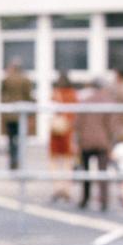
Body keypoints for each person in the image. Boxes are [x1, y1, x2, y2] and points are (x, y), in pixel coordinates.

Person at [76, 77, 115, 211]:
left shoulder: (85, 101)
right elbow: (111, 125)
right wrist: (111, 142)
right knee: (103, 171)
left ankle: (85, 198)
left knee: (86, 171)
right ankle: (103, 200)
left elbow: (78, 123)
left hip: (86, 140)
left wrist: (79, 138)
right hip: (102, 141)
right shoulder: (108, 103)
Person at [48, 73, 78, 203]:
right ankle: (67, 188)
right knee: (68, 162)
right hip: (69, 130)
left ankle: (57, 187)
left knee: (54, 161)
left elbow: (50, 112)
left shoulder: (55, 94)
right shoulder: (73, 95)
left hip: (56, 131)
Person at [0, 58, 33, 170]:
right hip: (20, 115)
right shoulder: (25, 80)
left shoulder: (7, 79)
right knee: (21, 139)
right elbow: (28, 96)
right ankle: (19, 161)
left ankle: (12, 161)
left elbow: (2, 95)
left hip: (10, 114)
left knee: (11, 140)